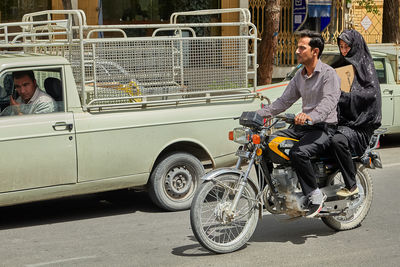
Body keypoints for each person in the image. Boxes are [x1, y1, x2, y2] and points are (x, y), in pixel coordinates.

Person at [257, 30, 341, 218]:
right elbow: (283, 102)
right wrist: (257, 114)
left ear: (315, 52)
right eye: (297, 47)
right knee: (264, 144)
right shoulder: (299, 76)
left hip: (323, 127)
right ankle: (270, 192)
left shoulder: (329, 74)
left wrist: (311, 116)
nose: (297, 51)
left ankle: (315, 195)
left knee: (299, 152)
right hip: (303, 127)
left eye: (302, 48)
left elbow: (329, 102)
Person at [331, 29, 382, 197]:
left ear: (356, 46)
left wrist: (346, 96)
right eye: (341, 47)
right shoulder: (340, 65)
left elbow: (371, 94)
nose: (344, 51)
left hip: (361, 125)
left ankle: (352, 185)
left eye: (347, 47)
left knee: (338, 140)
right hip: (343, 121)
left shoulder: (366, 67)